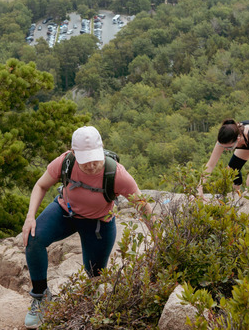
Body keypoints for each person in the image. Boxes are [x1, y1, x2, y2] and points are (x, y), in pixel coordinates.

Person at [21, 126, 152, 329]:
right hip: (66, 212)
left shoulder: (116, 174)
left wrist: (162, 239)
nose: (91, 165)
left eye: (95, 159)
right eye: (85, 160)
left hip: (98, 224)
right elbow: (41, 185)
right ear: (74, 154)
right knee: (33, 238)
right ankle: (41, 297)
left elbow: (144, 207)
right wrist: (30, 217)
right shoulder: (65, 162)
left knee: (95, 276)